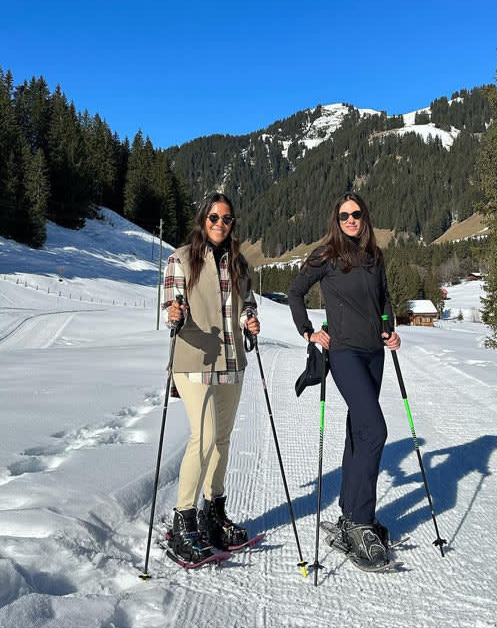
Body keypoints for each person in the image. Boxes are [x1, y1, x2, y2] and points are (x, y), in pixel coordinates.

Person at [288, 192, 401, 570]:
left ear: (364, 217)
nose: (350, 220)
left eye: (355, 214)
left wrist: (390, 330)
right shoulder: (326, 255)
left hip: (374, 353)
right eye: (343, 215)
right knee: (376, 430)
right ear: (335, 220)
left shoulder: (374, 256)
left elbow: (384, 301)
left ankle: (349, 514)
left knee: (359, 430)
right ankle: (361, 519)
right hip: (345, 354)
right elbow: (295, 292)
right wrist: (309, 333)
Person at [162, 193, 260, 563]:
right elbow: (173, 304)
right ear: (204, 219)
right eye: (214, 217)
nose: (221, 224)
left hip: (232, 359)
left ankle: (212, 513)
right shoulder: (181, 259)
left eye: (228, 219)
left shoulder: (238, 262)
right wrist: (174, 311)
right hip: (194, 359)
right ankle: (183, 519)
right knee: (201, 438)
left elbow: (247, 302)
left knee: (221, 439)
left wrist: (250, 319)